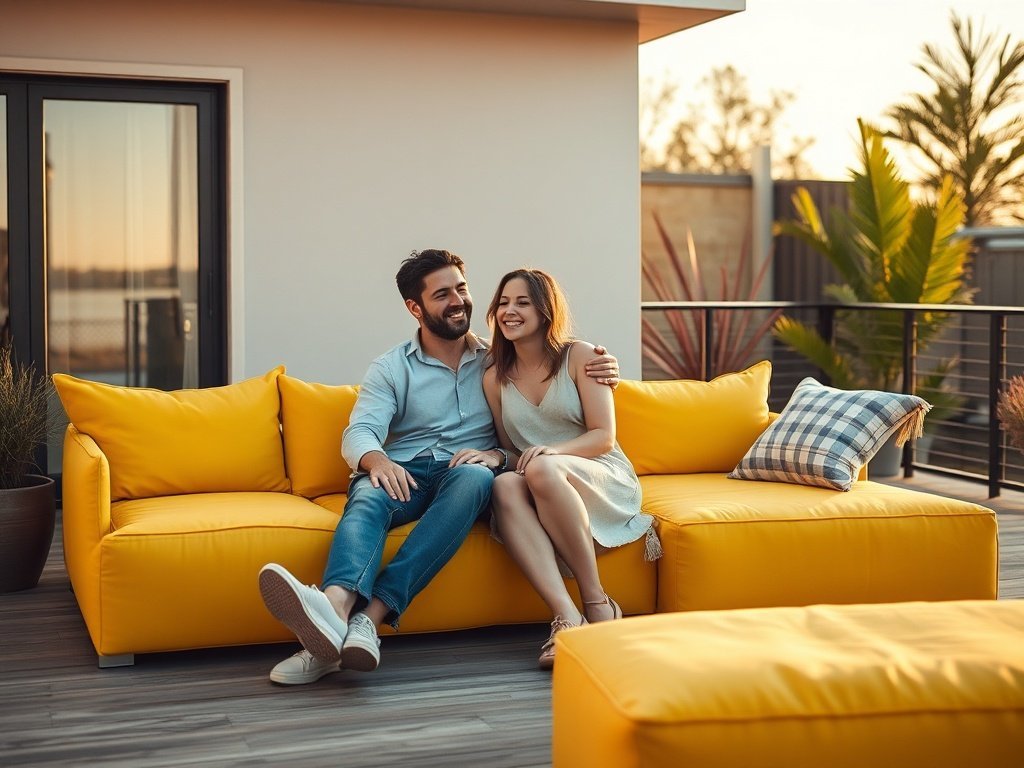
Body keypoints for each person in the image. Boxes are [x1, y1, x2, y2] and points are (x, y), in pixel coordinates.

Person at [257, 249, 619, 685]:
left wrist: (603, 365)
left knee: (474, 478)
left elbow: (522, 432)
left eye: (462, 289)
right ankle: (334, 612)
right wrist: (376, 460)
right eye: (442, 294)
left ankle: (367, 620)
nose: (458, 301)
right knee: (368, 496)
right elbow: (360, 432)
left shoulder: (498, 360)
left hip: (465, 475)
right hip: (404, 471)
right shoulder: (391, 367)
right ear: (416, 307)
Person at [479, 268, 660, 670]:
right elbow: (513, 451)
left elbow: (603, 437)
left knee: (541, 469)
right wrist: (495, 457)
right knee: (506, 486)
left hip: (599, 474)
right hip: (541, 480)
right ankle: (566, 617)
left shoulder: (581, 356)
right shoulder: (494, 377)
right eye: (504, 303)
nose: (510, 311)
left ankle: (597, 601)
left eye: (523, 302)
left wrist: (552, 453)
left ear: (546, 311)